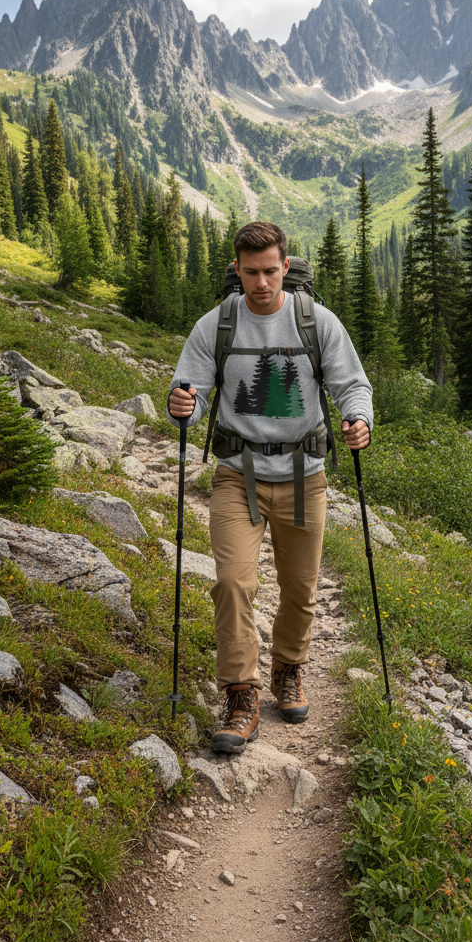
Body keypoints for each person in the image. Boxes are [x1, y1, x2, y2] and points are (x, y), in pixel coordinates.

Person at [168, 221, 372, 754]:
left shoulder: (316, 322)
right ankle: (241, 694)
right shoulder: (216, 324)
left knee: (301, 591)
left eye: (270, 270)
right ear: (237, 270)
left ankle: (288, 668)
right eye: (251, 272)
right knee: (234, 583)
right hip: (239, 477)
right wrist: (180, 402)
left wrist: (358, 419)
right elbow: (188, 383)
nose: (261, 282)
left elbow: (352, 383)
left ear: (286, 266)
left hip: (306, 477)